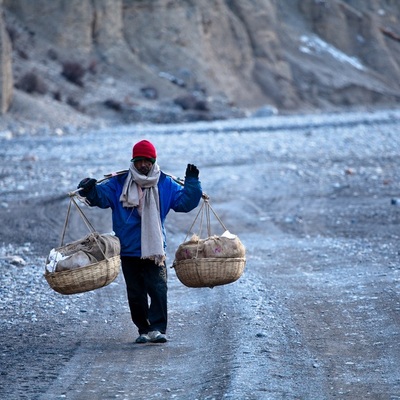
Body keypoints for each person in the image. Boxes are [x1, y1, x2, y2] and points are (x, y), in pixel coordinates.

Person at [77, 139, 202, 344]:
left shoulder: (165, 183)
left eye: (147, 161)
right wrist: (88, 189)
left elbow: (184, 203)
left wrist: (193, 183)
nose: (143, 165)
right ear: (132, 161)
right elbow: (99, 198)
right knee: (135, 293)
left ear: (153, 161)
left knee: (158, 289)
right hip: (128, 249)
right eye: (138, 161)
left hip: (154, 250)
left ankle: (158, 328)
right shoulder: (119, 182)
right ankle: (143, 329)